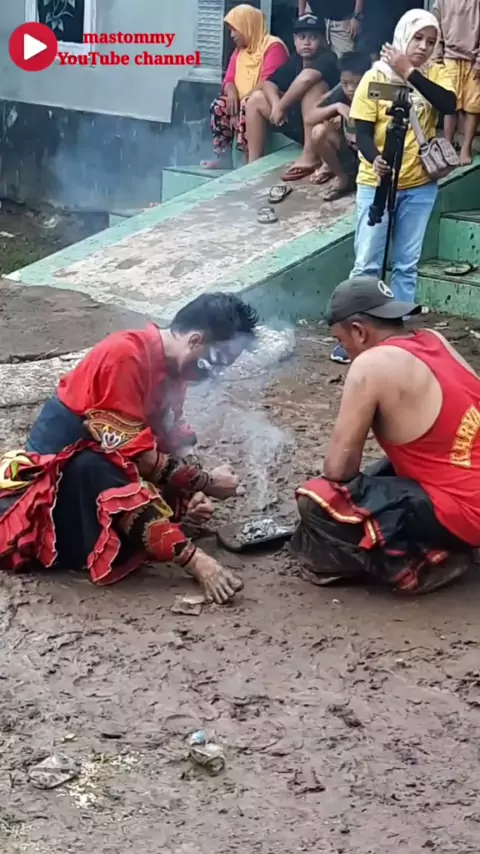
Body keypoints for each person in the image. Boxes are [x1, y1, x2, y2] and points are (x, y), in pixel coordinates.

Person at [0, 293, 259, 605]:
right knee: (98, 466)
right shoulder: (125, 355)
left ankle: (163, 531)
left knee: (151, 477)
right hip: (53, 494)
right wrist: (206, 482)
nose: (214, 373)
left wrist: (192, 490)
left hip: (100, 473)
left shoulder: (172, 370)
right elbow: (137, 456)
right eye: (217, 361)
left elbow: (169, 440)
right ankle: (195, 562)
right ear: (195, 341)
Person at [292, 276, 480, 595]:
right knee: (382, 472)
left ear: (359, 331)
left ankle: (424, 563)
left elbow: (339, 470)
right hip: (468, 478)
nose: (344, 349)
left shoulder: (371, 364)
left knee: (318, 501)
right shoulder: (434, 339)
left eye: (341, 340)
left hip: (468, 512)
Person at [330, 8, 457, 364]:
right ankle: (354, 337)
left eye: (431, 41)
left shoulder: (436, 73)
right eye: (417, 38)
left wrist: (409, 72)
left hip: (419, 184)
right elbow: (362, 131)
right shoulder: (376, 76)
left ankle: (397, 340)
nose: (423, 46)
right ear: (403, 36)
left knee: (406, 264)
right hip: (377, 182)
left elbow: (449, 104)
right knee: (367, 262)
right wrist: (375, 160)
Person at [245, 14, 340, 180]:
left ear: (323, 40)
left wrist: (281, 106)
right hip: (300, 124)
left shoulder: (329, 58)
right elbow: (268, 83)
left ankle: (310, 156)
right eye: (302, 37)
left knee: (313, 88)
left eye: (313, 38)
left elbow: (306, 78)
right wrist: (276, 105)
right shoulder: (295, 60)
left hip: (325, 130)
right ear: (295, 40)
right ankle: (253, 162)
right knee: (256, 99)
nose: (307, 42)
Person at [201, 4, 289, 170]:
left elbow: (267, 82)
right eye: (230, 31)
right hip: (244, 102)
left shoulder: (273, 47)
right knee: (219, 106)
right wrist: (232, 94)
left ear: (248, 25)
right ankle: (223, 157)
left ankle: (250, 158)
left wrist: (240, 106)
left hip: (269, 105)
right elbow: (229, 79)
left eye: (235, 29)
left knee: (247, 103)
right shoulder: (240, 51)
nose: (232, 35)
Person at [307, 51, 371, 199]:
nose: (351, 89)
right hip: (350, 151)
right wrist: (336, 107)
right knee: (318, 131)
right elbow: (309, 117)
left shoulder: (377, 92)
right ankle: (343, 178)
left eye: (357, 83)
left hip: (372, 154)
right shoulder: (342, 93)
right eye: (345, 83)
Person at [432, 0, 480, 166]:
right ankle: (448, 146)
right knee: (450, 104)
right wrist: (436, 56)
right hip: (449, 56)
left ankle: (466, 147)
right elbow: (435, 27)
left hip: (473, 58)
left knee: (473, 106)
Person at [298, 0, 364, 58]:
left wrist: (356, 16)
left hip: (343, 20)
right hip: (314, 18)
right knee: (312, 60)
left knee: (346, 60)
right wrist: (301, 15)